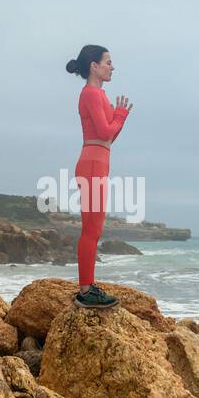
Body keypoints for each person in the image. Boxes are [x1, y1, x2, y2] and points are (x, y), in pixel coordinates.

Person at [66, 44, 132, 308]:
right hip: (92, 162)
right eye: (108, 62)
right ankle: (85, 291)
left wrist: (120, 117)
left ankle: (88, 286)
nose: (112, 66)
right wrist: (120, 115)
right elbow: (105, 132)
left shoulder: (101, 96)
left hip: (99, 160)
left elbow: (110, 137)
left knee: (95, 228)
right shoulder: (90, 94)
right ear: (94, 66)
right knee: (91, 229)